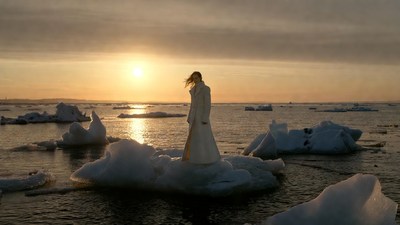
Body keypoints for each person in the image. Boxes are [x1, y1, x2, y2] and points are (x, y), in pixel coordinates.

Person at [182, 71, 221, 164]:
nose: (195, 80)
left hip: (201, 118)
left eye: (196, 78)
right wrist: (189, 116)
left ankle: (207, 158)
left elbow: (207, 104)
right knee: (193, 138)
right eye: (194, 78)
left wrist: (205, 118)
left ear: (200, 78)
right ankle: (194, 158)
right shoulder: (193, 89)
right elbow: (192, 105)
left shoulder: (205, 89)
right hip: (193, 117)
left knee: (204, 137)